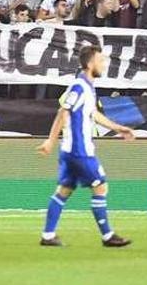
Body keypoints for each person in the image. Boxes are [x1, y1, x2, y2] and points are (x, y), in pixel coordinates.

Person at [36, 45, 135, 248]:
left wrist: (118, 128)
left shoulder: (88, 87)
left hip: (71, 150)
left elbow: (93, 114)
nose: (104, 64)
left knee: (64, 190)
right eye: (101, 61)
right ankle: (108, 236)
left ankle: (47, 235)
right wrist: (50, 141)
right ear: (90, 64)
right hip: (79, 151)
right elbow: (63, 112)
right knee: (100, 186)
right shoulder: (79, 87)